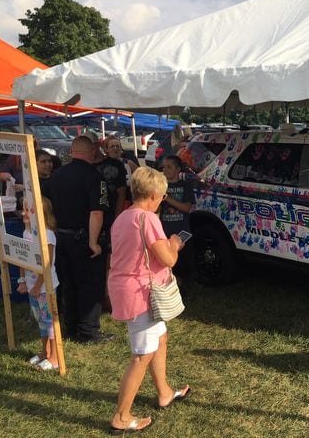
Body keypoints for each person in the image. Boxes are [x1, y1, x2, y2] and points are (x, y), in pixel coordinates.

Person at [108, 167, 190, 434]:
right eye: (163, 196)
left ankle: (164, 392)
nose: (162, 200)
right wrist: (174, 244)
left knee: (160, 338)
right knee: (141, 355)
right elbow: (168, 259)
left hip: (130, 288)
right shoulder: (148, 218)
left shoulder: (123, 216)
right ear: (154, 194)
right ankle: (121, 416)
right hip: (140, 293)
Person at [44, 135, 112, 344]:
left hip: (61, 237)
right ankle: (89, 332)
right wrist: (94, 242)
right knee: (90, 285)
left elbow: (46, 204)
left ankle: (71, 327)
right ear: (92, 153)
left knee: (69, 284)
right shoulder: (95, 177)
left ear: (72, 152)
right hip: (84, 239)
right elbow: (96, 213)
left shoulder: (56, 175)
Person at [16, 197, 60, 371]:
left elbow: (46, 264)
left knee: (49, 321)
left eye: (27, 210)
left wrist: (36, 286)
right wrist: (23, 281)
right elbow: (22, 258)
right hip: (32, 286)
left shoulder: (47, 235)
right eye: (24, 209)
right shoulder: (27, 233)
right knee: (40, 321)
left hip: (45, 287)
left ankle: (55, 357)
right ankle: (45, 352)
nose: (23, 213)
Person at [160, 155, 196, 291]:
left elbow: (186, 208)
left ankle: (185, 287)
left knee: (184, 263)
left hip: (182, 230)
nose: (165, 170)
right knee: (168, 263)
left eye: (169, 167)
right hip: (166, 230)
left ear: (178, 169)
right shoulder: (162, 186)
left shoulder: (185, 186)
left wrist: (168, 198)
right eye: (164, 167)